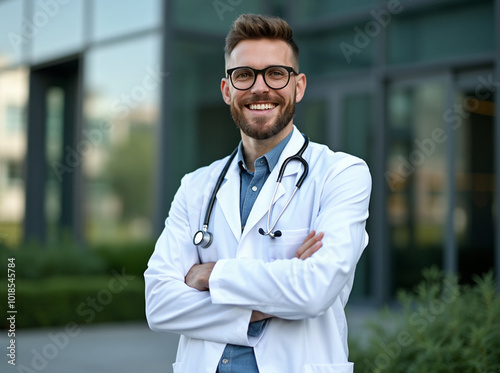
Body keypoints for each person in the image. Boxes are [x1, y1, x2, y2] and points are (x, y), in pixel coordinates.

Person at [144, 13, 371, 373]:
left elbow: (315, 291)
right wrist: (279, 288)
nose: (260, 88)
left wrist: (210, 275)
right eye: (244, 74)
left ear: (298, 86)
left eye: (276, 73)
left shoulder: (341, 174)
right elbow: (159, 303)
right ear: (227, 90)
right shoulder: (196, 186)